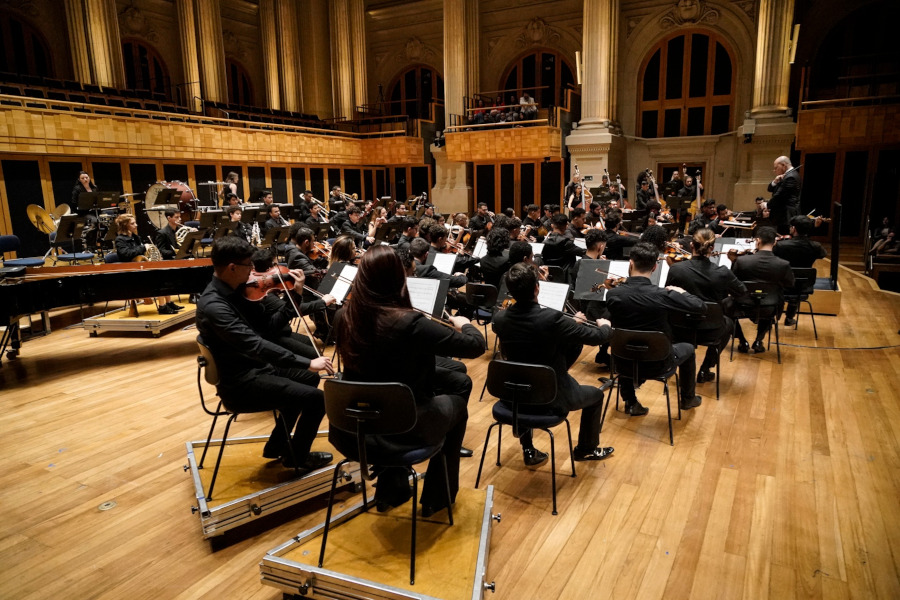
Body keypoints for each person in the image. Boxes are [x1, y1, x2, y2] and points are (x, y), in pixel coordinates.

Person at [332, 245, 485, 514]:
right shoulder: (410, 323)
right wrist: (465, 324)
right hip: (404, 425)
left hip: (352, 428)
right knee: (457, 408)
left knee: (457, 382)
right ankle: (438, 496)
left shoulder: (343, 316)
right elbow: (474, 347)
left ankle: (393, 483)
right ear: (398, 279)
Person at [196, 236, 334, 470]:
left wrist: (297, 293)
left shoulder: (236, 293)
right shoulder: (215, 306)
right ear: (231, 268)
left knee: (308, 380)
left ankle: (276, 445)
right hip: (241, 382)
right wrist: (308, 362)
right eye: (248, 266)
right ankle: (297, 458)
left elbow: (271, 328)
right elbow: (256, 345)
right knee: (317, 400)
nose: (253, 272)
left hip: (255, 367)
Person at [492, 262, 615, 463]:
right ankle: (587, 449)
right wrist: (605, 326)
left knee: (523, 369)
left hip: (513, 395)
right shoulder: (552, 319)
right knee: (595, 395)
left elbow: (529, 333)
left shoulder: (500, 320)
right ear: (537, 288)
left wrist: (569, 326)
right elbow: (597, 337)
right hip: (552, 397)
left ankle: (528, 449)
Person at [606, 242, 705, 415]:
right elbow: (700, 307)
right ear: (655, 267)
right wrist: (680, 292)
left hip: (622, 362)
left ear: (631, 263)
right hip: (658, 363)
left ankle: (630, 402)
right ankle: (688, 398)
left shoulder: (613, 294)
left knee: (627, 342)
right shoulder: (662, 295)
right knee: (688, 348)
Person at [665, 228, 747, 383]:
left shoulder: (676, 269)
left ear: (691, 246)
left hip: (681, 328)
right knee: (728, 323)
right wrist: (734, 263)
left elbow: (668, 295)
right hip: (710, 330)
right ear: (712, 248)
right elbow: (742, 292)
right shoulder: (722, 272)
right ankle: (705, 368)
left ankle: (679, 362)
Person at [731, 226, 795, 353]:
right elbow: (790, 284)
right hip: (770, 308)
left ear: (757, 241)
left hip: (742, 306)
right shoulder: (783, 264)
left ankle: (742, 340)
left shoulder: (742, 261)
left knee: (725, 307)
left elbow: (732, 283)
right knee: (772, 301)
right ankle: (759, 340)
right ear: (775, 242)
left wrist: (733, 261)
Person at [114, 214, 181, 314]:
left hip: (140, 267)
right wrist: (143, 247)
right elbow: (125, 254)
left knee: (165, 271)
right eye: (132, 223)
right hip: (130, 271)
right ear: (125, 225)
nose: (136, 225)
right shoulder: (120, 240)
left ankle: (168, 302)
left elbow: (143, 254)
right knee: (158, 276)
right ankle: (162, 307)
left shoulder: (135, 237)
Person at [772, 215, 827, 326]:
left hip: (782, 285)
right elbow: (823, 254)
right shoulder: (815, 246)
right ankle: (789, 318)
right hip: (803, 286)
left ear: (794, 229)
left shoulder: (781, 246)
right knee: (797, 285)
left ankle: (771, 317)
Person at [767, 155, 801, 235]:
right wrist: (775, 182)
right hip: (784, 215)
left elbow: (779, 196)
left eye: (776, 168)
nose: (774, 170)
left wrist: (767, 205)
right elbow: (769, 189)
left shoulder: (790, 177)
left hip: (786, 215)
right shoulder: (787, 176)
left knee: (784, 239)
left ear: (783, 165)